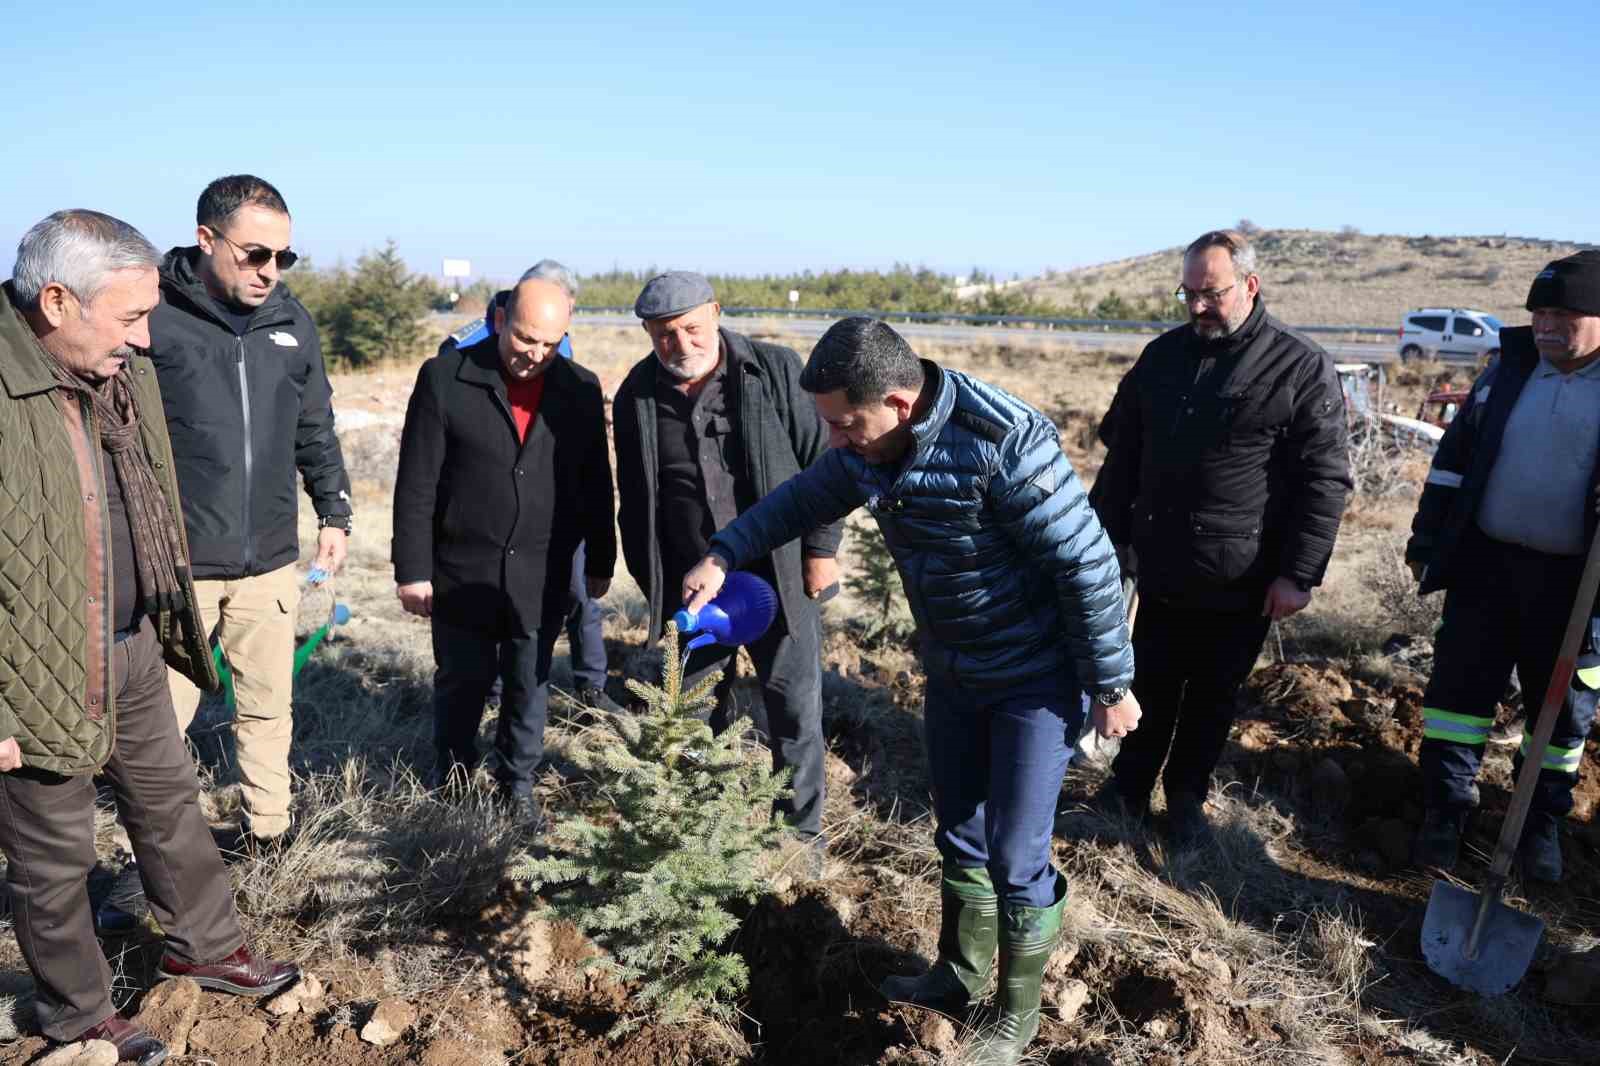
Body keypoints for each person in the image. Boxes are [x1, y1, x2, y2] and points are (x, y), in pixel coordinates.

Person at [680, 317, 1138, 1066]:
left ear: (897, 401)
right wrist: (725, 554)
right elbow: (802, 499)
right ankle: (956, 977)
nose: (834, 440)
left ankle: (1014, 1015)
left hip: (1035, 680)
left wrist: (1110, 682)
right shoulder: (870, 449)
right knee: (957, 831)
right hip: (955, 669)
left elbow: (1087, 565)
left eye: (843, 423)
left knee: (1015, 851)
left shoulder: (1004, 443)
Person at [0, 210, 299, 1065]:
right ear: (56, 300)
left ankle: (205, 947)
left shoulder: (112, 370)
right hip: (33, 670)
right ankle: (77, 1014)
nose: (143, 337)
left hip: (128, 639)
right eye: (129, 318)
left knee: (170, 809)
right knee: (52, 860)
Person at [1089, 228, 1351, 844]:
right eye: (1188, 295)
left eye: (1211, 294)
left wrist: (1299, 573)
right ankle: (1126, 788)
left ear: (1250, 286)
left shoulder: (1298, 366)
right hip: (1160, 562)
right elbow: (1121, 453)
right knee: (1148, 677)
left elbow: (1326, 481)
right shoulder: (1163, 355)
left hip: (1242, 575)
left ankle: (1185, 800)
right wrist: (1102, 541)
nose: (1198, 307)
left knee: (1210, 693)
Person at [149, 175, 352, 846]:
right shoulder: (151, 315)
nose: (270, 271)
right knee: (156, 725)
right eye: (255, 254)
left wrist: (334, 512)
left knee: (268, 711)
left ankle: (269, 839)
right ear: (207, 238)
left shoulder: (291, 322)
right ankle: (146, 860)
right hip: (178, 568)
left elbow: (314, 425)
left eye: (284, 257)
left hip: (268, 559)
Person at [613, 272, 841, 847]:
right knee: (689, 712)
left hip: (779, 571)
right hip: (695, 585)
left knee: (792, 709)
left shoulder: (777, 370)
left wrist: (820, 551)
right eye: (663, 335)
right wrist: (656, 584)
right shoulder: (636, 396)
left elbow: (827, 468)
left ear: (715, 313)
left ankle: (797, 840)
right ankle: (697, 832)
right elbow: (636, 501)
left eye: (691, 328)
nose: (680, 345)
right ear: (647, 333)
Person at [1406, 250, 1600, 883]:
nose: (1545, 327)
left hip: (1576, 589)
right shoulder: (1508, 370)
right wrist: (1429, 538)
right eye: (1539, 312)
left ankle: (1539, 823)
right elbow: (1453, 462)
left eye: (1563, 315)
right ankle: (1446, 813)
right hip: (1486, 570)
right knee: (1458, 697)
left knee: (1561, 714)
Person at [393, 276, 615, 823]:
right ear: (499, 320)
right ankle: (452, 779)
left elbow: (595, 481)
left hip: (541, 572)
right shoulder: (446, 378)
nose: (533, 355)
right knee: (461, 681)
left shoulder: (580, 389)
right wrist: (413, 569)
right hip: (461, 568)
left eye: (548, 343)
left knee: (528, 683)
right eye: (524, 339)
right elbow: (416, 481)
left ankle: (517, 783)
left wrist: (603, 560)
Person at [439, 260, 617, 712]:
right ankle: (494, 690)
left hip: (558, 507)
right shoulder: (468, 346)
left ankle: (590, 683)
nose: (538, 351)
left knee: (577, 595)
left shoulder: (563, 348)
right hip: (490, 518)